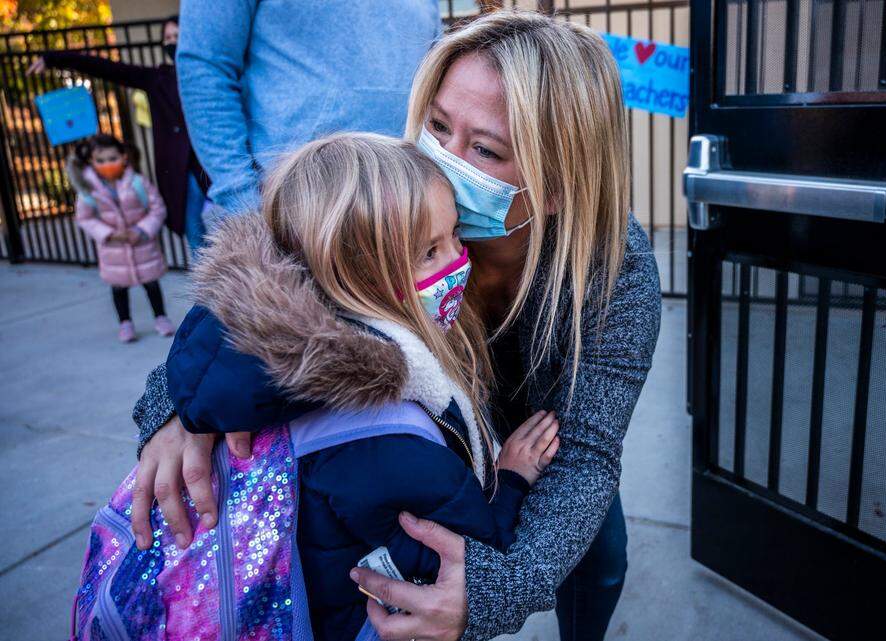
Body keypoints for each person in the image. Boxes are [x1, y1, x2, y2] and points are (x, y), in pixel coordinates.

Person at [129, 10, 662, 641]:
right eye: (438, 125)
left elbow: (585, 453)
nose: (440, 158)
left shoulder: (614, 268)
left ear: (557, 184)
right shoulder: (395, 195)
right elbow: (263, 283)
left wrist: (492, 592)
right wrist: (176, 407)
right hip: (433, 446)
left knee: (598, 559)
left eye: (484, 148)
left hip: (543, 439)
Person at [73, 133, 561, 641]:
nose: (459, 261)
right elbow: (470, 557)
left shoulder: (271, 376)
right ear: (355, 276)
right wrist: (511, 480)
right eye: (428, 252)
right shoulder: (386, 437)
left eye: (454, 237)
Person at [173, 0, 440, 221]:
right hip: (301, 216)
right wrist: (243, 202)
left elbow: (434, 72)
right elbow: (205, 67)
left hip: (410, 202)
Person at [29, 16, 212, 256]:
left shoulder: (211, 74)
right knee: (200, 244)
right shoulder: (157, 79)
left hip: (214, 166)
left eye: (177, 36)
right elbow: (105, 67)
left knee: (239, 231)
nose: (172, 42)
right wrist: (53, 59)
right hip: (183, 174)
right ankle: (215, 292)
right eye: (167, 38)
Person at [70, 134, 174, 342]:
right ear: (91, 161)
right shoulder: (88, 190)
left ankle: (161, 318)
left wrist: (141, 230)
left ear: (124, 157)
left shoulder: (137, 183)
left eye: (112, 158)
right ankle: (125, 323)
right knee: (118, 288)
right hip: (113, 249)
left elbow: (157, 208)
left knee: (152, 284)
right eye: (101, 160)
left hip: (142, 245)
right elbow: (84, 218)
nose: (107, 164)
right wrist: (108, 234)